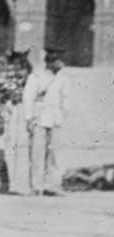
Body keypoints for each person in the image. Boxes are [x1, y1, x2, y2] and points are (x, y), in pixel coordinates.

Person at [23, 47, 69, 196]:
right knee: (37, 154)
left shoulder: (63, 78)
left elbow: (67, 98)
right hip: (39, 118)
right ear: (49, 62)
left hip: (55, 119)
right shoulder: (36, 77)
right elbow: (28, 97)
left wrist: (63, 115)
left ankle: (53, 185)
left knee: (55, 155)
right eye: (57, 61)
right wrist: (29, 117)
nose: (61, 64)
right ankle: (37, 186)